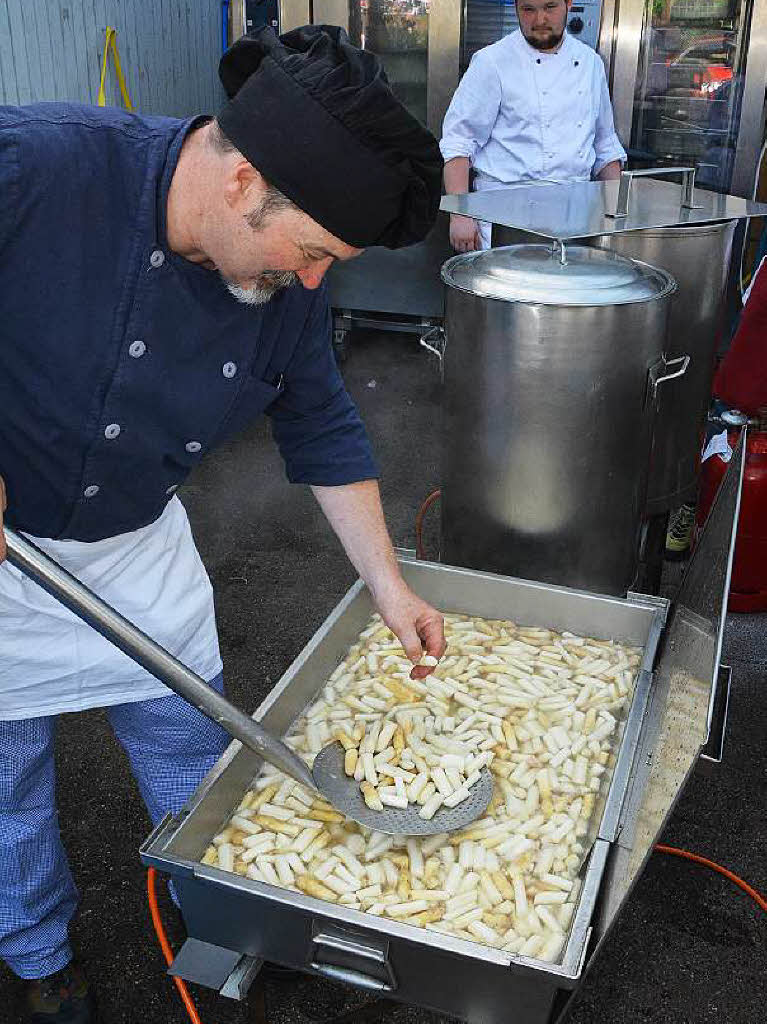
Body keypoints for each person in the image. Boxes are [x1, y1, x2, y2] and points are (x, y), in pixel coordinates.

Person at [0, 25, 445, 1023]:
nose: (319, 279)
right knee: (3, 786)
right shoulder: (37, 166)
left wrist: (389, 585)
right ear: (243, 178)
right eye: (316, 251)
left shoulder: (276, 282)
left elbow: (320, 418)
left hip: (135, 549)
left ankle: (230, 915)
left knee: (195, 755)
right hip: (6, 559)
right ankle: (35, 957)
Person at [440, 0, 626, 251]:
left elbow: (605, 144)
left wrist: (618, 214)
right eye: (528, 10)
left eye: (549, 7)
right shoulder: (492, 62)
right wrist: (460, 214)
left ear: (568, 4)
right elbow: (459, 141)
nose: (539, 20)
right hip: (504, 216)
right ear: (516, 7)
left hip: (576, 217)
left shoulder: (590, 63)